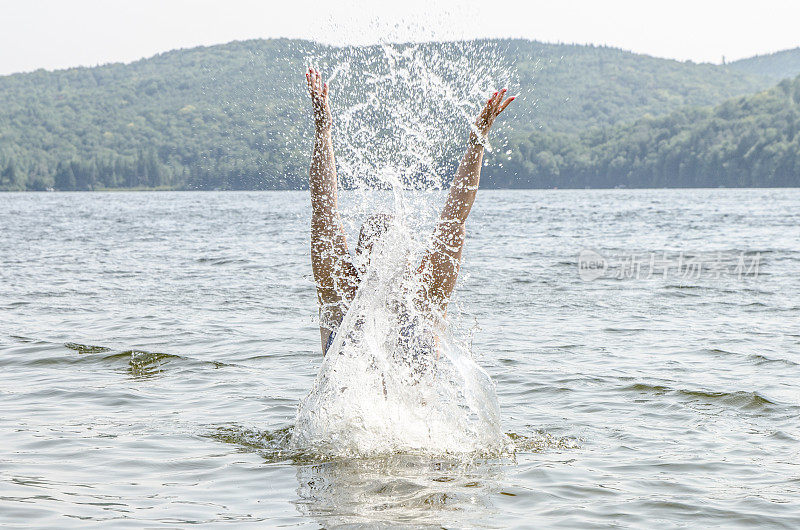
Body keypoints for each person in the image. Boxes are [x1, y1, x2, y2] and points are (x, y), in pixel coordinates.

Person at [305, 67, 514, 356]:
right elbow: (323, 211)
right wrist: (323, 131)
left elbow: (454, 223)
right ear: (359, 263)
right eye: (375, 251)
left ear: (408, 259)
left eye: (388, 252)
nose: (383, 262)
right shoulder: (342, 300)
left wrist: (477, 144)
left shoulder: (422, 301)